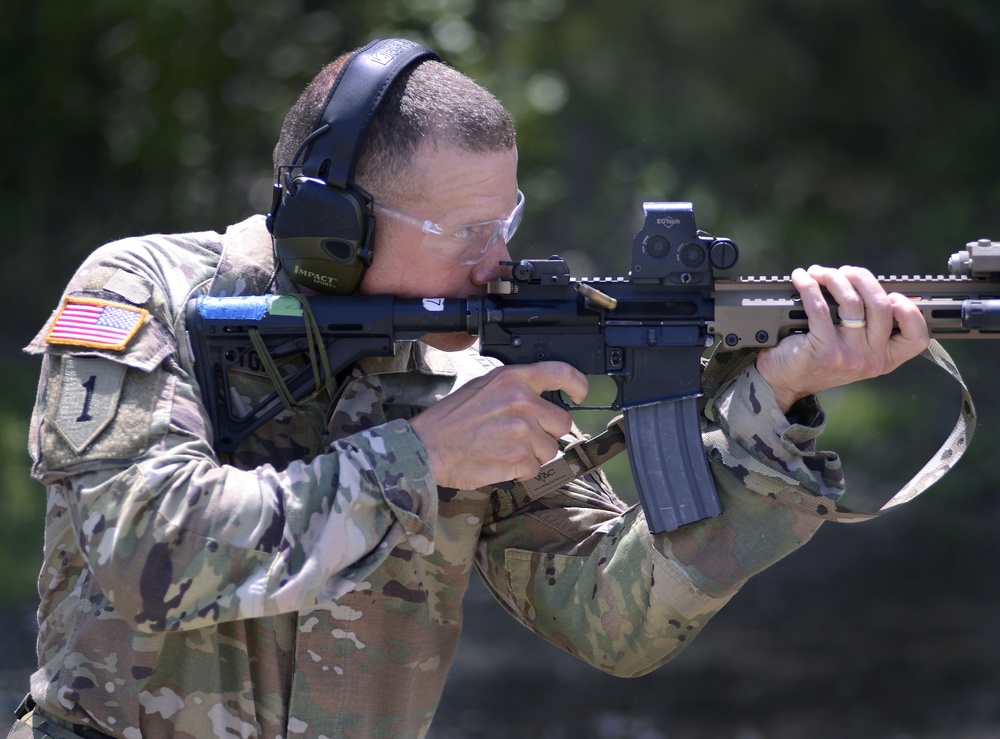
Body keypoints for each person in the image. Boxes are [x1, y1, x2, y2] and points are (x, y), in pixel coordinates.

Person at [11, 39, 929, 739]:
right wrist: (425, 457)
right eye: (467, 229)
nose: (500, 259)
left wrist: (775, 400)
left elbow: (617, 620)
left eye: (509, 218)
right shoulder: (147, 291)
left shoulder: (471, 362)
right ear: (335, 227)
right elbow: (144, 552)